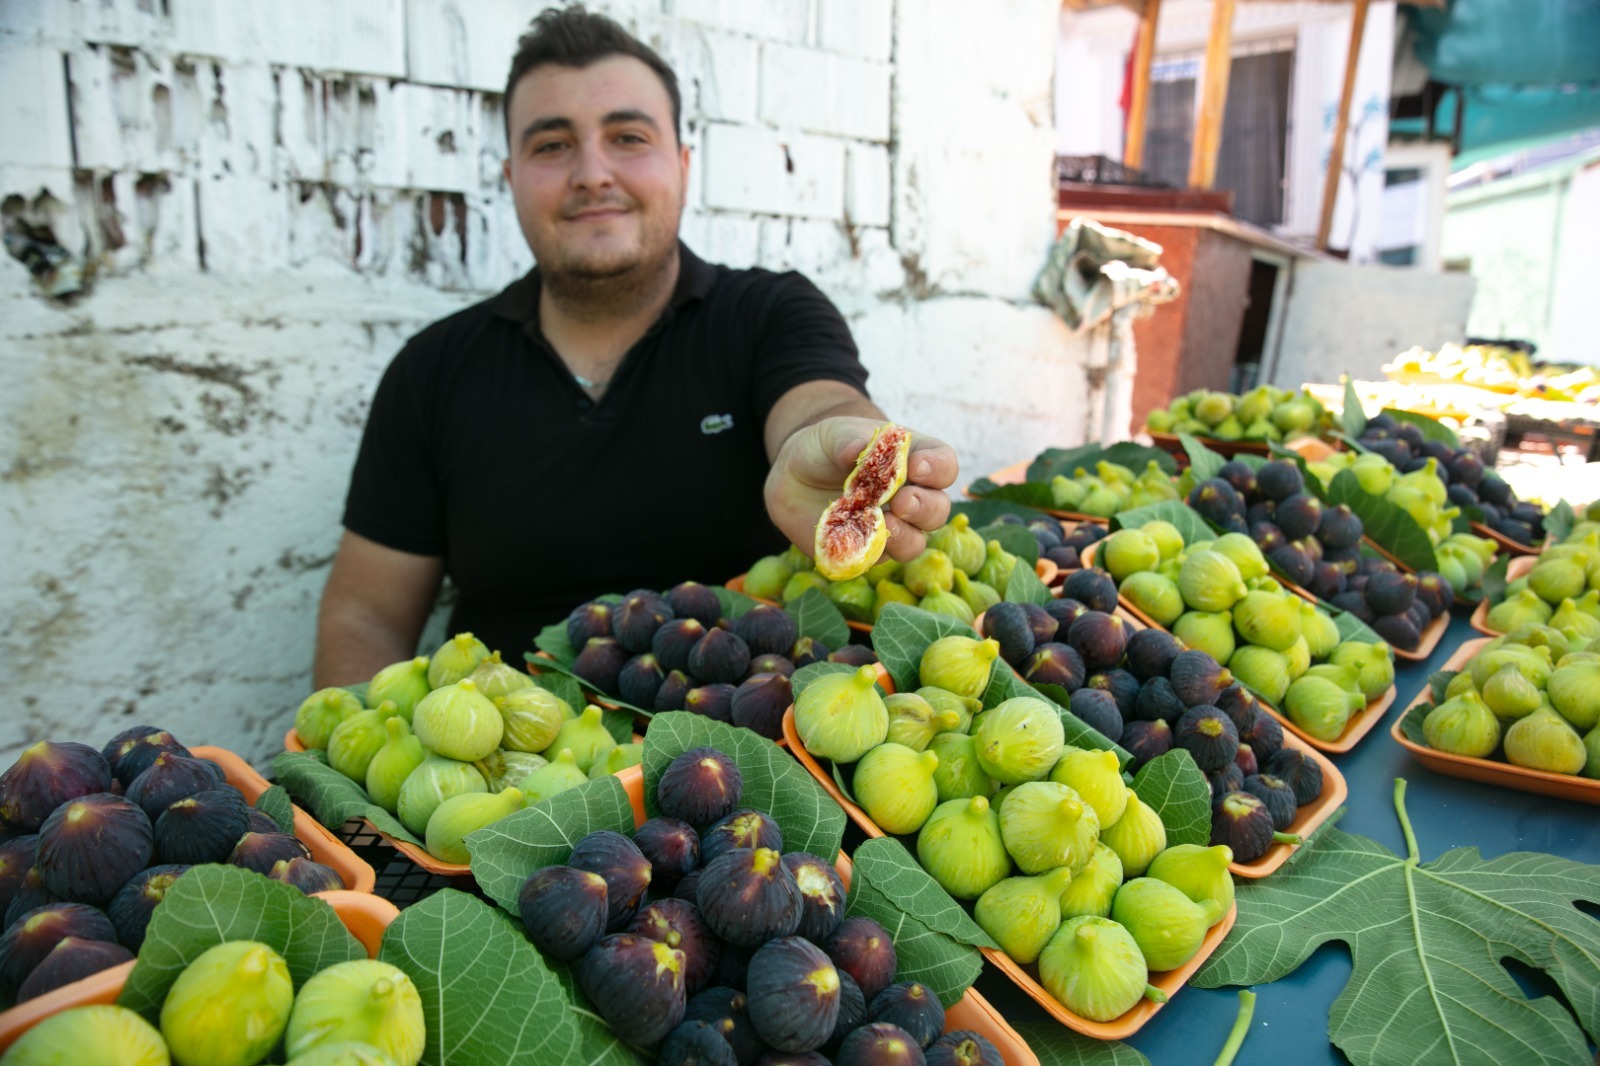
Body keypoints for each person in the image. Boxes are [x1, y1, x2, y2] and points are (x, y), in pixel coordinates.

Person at [312, 5, 957, 687]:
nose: (592, 172)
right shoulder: (432, 370)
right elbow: (367, 613)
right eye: (552, 145)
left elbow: (819, 405)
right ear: (510, 178)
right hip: (502, 761)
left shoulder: (767, 314)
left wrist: (834, 444)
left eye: (627, 137)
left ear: (682, 165)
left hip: (745, 752)